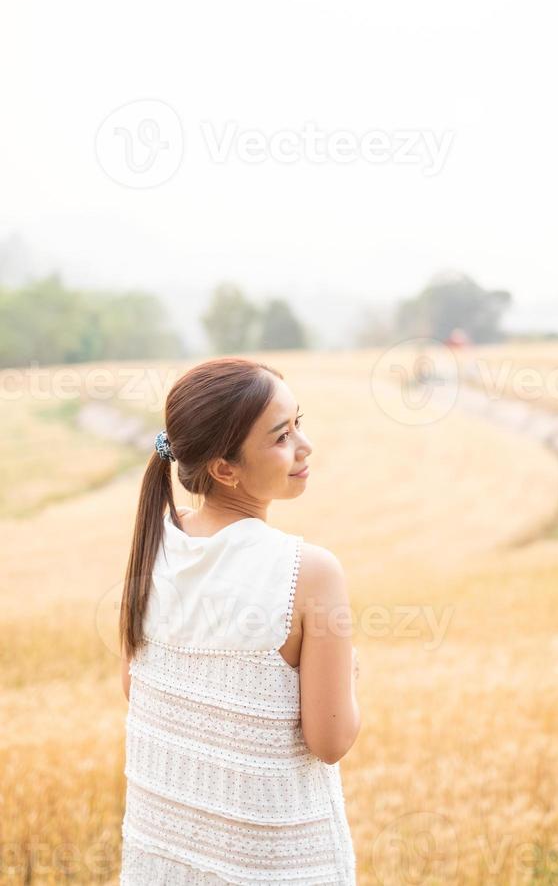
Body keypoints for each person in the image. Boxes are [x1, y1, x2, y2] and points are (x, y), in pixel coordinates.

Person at [118, 356, 360, 884]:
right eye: (281, 435)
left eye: (299, 423)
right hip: (270, 864)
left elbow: (134, 688)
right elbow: (332, 740)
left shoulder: (156, 543)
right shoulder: (309, 572)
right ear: (224, 469)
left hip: (165, 858)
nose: (304, 445)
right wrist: (350, 678)